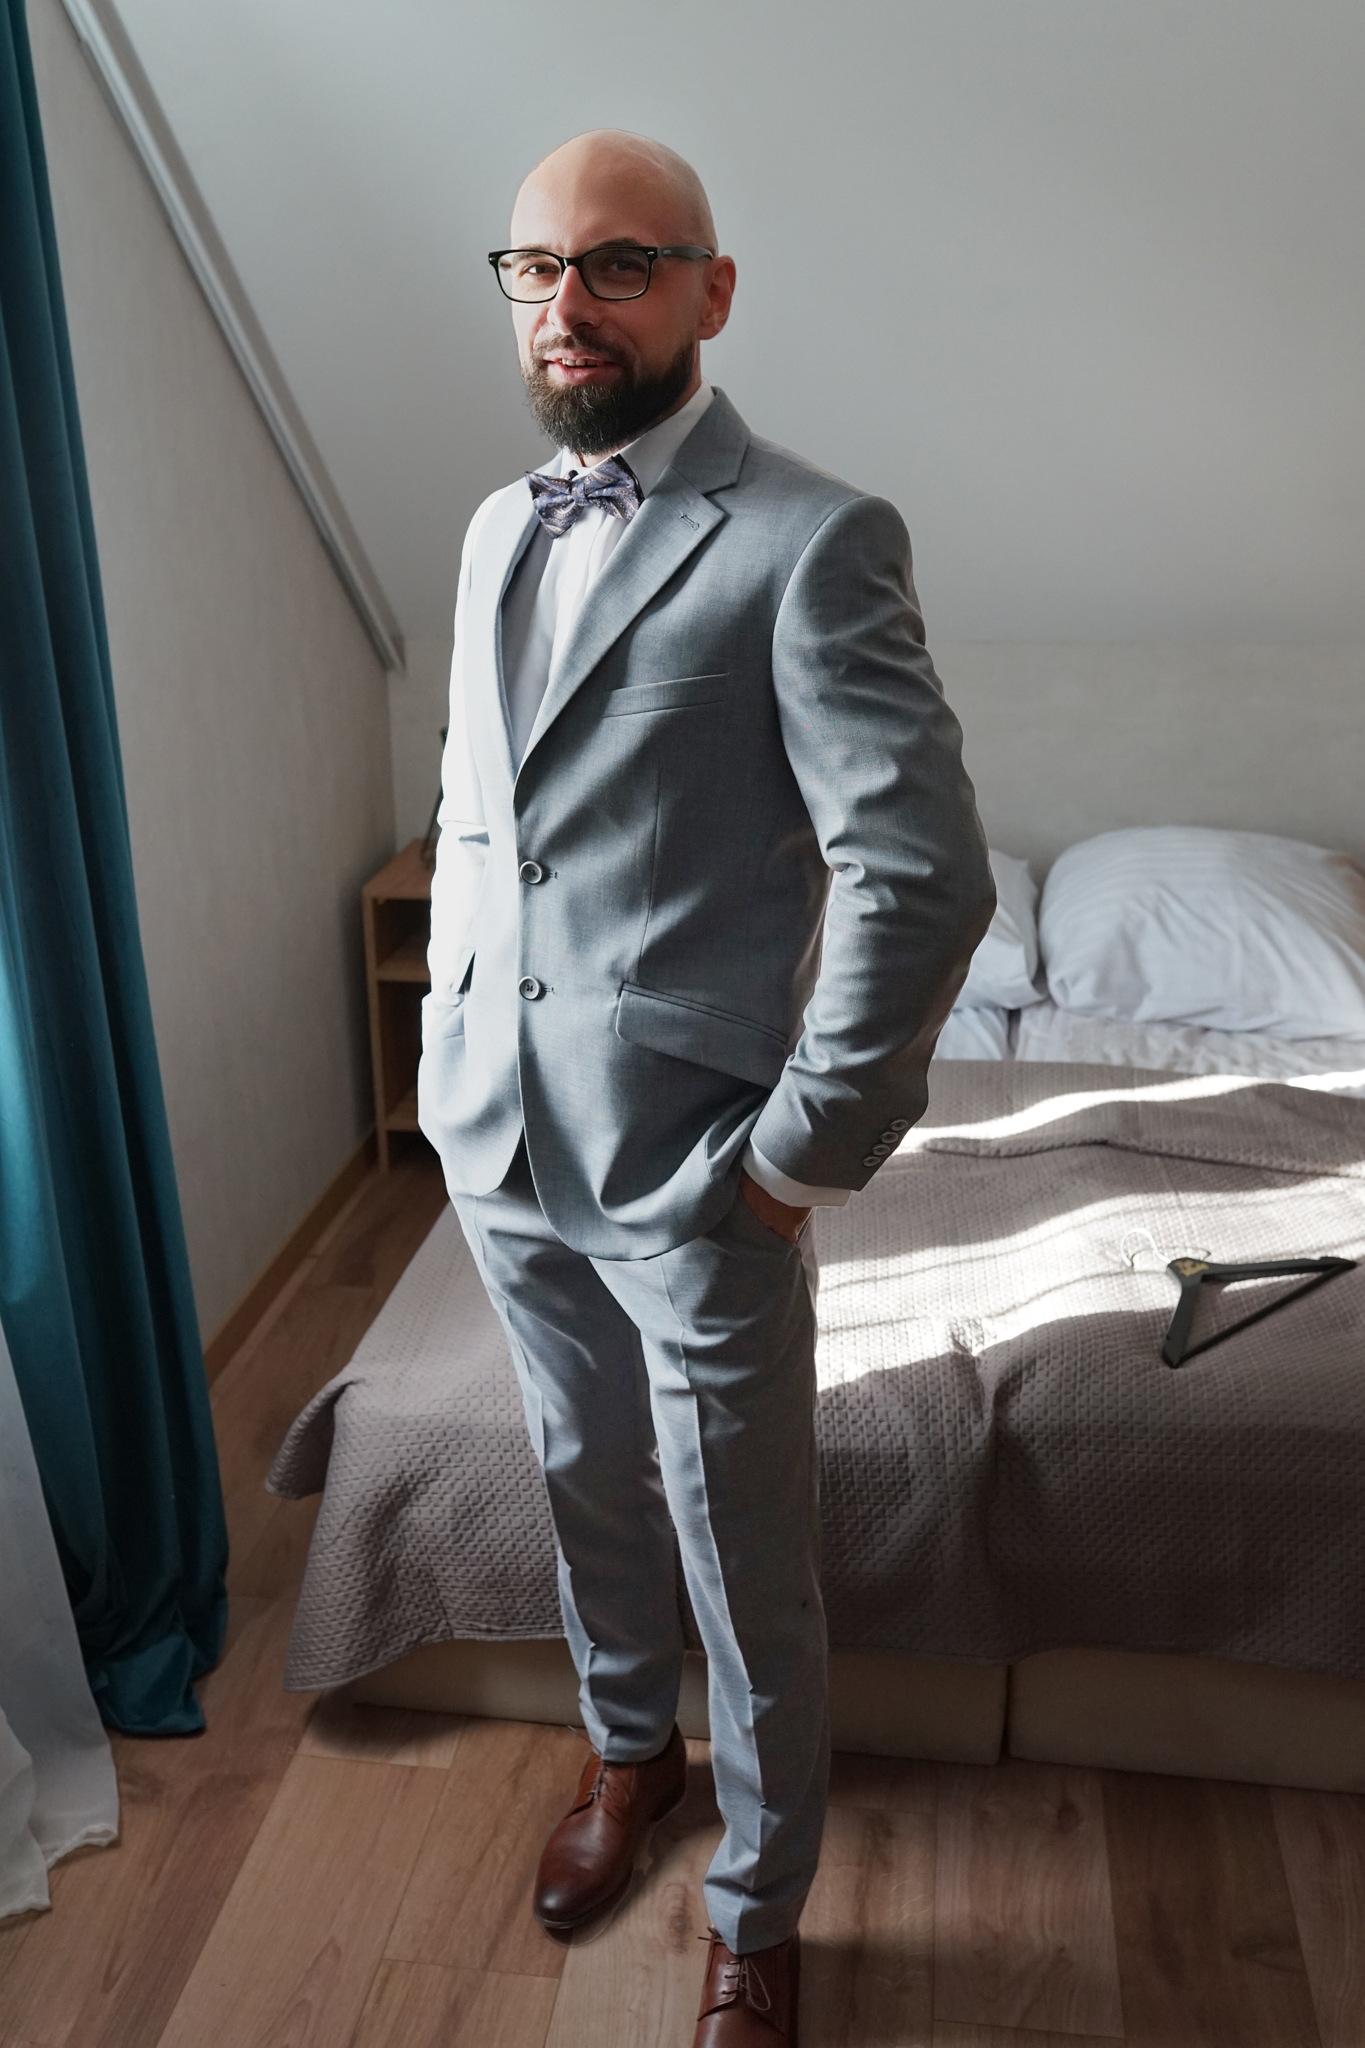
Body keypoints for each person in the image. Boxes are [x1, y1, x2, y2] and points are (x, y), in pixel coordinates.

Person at [418, 127, 994, 2047]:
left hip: (696, 1166)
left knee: (743, 1554)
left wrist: (798, 1156)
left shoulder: (813, 538)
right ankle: (624, 1754)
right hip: (498, 1133)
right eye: (534, 267)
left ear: (709, 291)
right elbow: (480, 810)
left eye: (617, 264)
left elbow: (922, 875)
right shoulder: (496, 529)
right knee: (582, 1482)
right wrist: (444, 1042)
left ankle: (760, 1906)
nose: (566, 304)